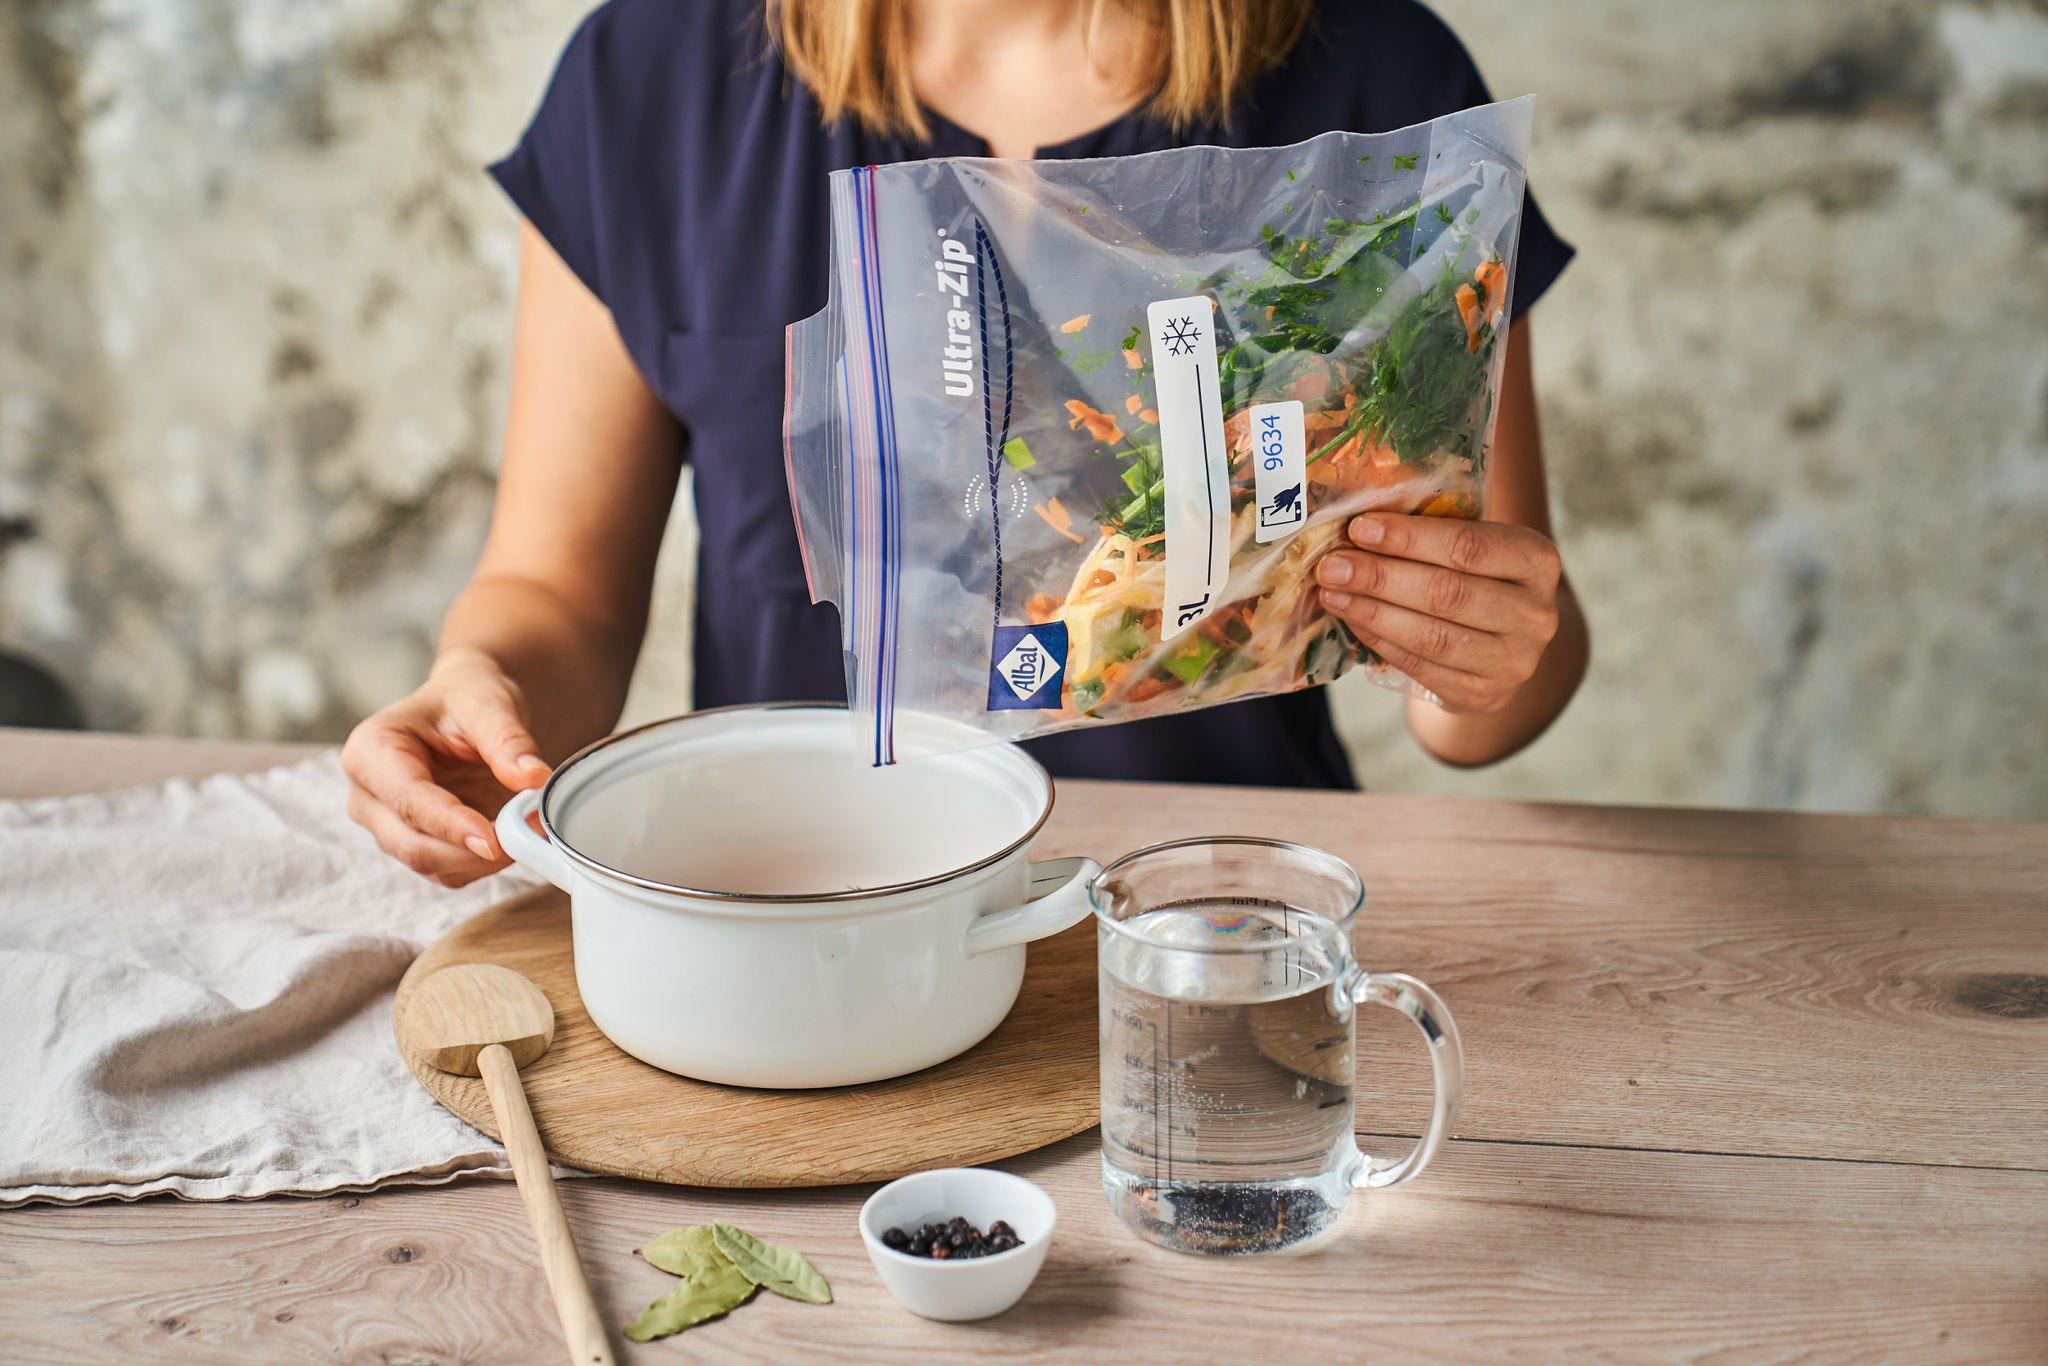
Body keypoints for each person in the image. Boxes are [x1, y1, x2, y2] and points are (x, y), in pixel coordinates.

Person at [343, 0, 1590, 886]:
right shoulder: (647, 81)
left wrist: (1483, 651)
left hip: (1214, 925)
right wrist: (480, 704)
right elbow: (559, 597)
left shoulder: (1383, 75)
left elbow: (1489, 687)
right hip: (802, 909)